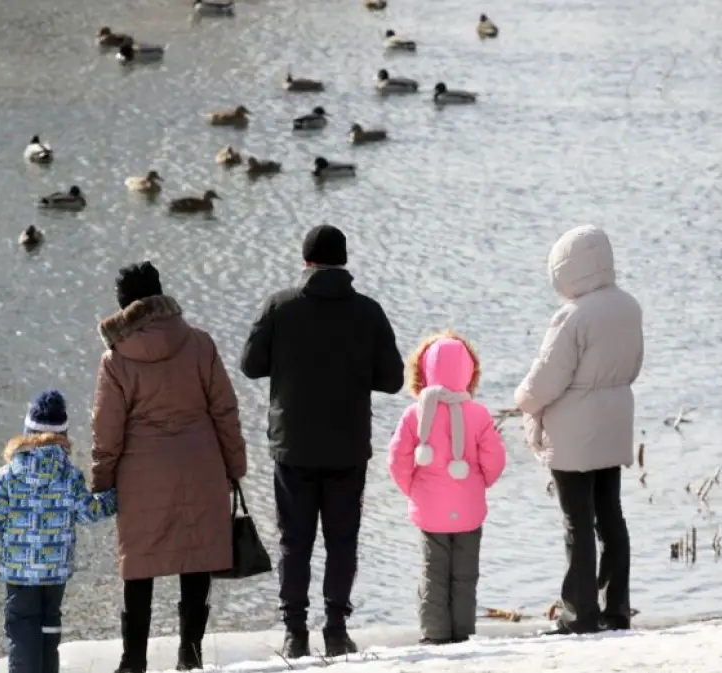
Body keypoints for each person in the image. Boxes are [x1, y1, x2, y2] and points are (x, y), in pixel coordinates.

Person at [240, 224, 403, 657]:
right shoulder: (368, 312)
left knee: (295, 541)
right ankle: (335, 628)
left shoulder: (279, 306)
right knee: (342, 540)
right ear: (344, 260)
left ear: (306, 260)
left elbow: (250, 366)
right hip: (348, 446)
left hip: (293, 444)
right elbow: (393, 379)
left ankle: (294, 634)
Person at [90, 261, 248, 673]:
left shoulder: (115, 359)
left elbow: (107, 431)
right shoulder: (199, 343)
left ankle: (132, 661)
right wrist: (235, 466)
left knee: (139, 566)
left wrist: (102, 480)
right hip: (202, 466)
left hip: (141, 476)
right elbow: (225, 411)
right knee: (195, 558)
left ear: (124, 305)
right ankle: (189, 656)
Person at [514, 225, 643, 635]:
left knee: (577, 522)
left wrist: (521, 400)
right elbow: (635, 364)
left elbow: (547, 380)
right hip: (615, 419)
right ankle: (616, 609)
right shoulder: (629, 306)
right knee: (611, 517)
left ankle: (579, 614)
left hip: (573, 430)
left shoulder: (573, 316)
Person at [0, 389, 118, 673]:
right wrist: (117, 496)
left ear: (27, 431)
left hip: (18, 571)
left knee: (21, 630)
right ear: (63, 434)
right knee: (49, 629)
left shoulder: (9, 475)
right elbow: (89, 511)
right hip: (54, 571)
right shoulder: (69, 475)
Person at [387, 331, 506, 645]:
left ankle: (435, 635)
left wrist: (412, 489)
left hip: (430, 510)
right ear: (470, 372)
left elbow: (397, 460)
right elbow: (495, 459)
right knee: (465, 577)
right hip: (468, 509)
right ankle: (463, 633)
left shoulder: (414, 414)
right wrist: (479, 484)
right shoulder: (478, 414)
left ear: (423, 370)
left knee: (433, 574)